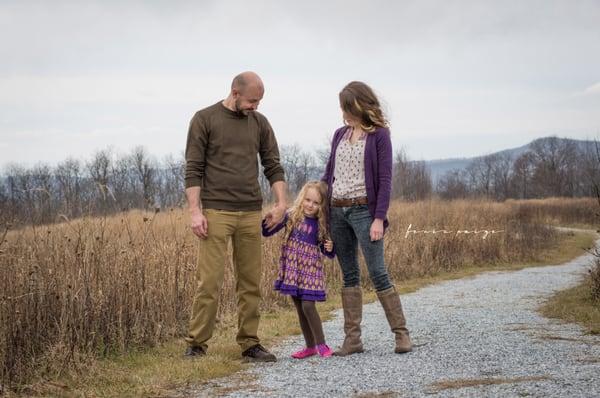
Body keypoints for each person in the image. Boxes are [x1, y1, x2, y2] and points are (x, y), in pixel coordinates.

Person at [183, 71, 287, 362]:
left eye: (260, 101)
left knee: (250, 282)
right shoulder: (204, 119)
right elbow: (193, 168)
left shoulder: (259, 123)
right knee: (210, 282)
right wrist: (195, 211)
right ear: (235, 92)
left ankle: (250, 343)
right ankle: (197, 344)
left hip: (251, 212)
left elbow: (273, 166)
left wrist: (281, 203)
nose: (256, 106)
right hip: (216, 212)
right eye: (253, 100)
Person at [321, 81, 413, 356]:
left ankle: (401, 335)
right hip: (337, 210)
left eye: (346, 107)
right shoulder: (339, 134)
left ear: (359, 105)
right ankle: (353, 341)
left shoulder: (379, 135)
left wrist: (378, 218)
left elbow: (384, 180)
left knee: (378, 273)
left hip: (364, 211)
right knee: (349, 275)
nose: (343, 113)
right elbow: (329, 175)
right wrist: (315, 207)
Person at [261, 181, 335, 359]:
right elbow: (267, 232)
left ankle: (321, 344)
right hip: (292, 269)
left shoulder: (321, 223)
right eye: (308, 200)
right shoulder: (291, 216)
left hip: (310, 270)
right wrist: (267, 220)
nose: (310, 205)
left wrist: (330, 247)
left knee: (308, 306)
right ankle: (310, 347)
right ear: (302, 198)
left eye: (316, 203)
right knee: (300, 308)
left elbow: (328, 252)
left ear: (321, 206)